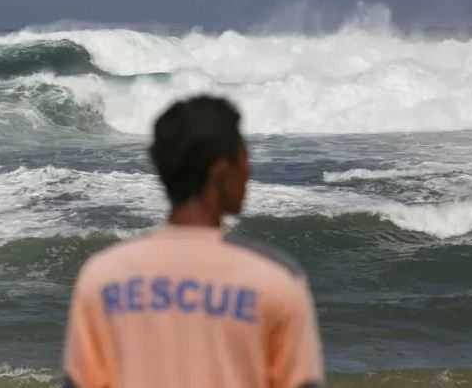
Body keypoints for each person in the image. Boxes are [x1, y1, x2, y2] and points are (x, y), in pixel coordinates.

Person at [62, 95, 323, 388]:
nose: (248, 171)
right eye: (243, 158)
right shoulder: (275, 281)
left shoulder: (102, 277)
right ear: (220, 171)